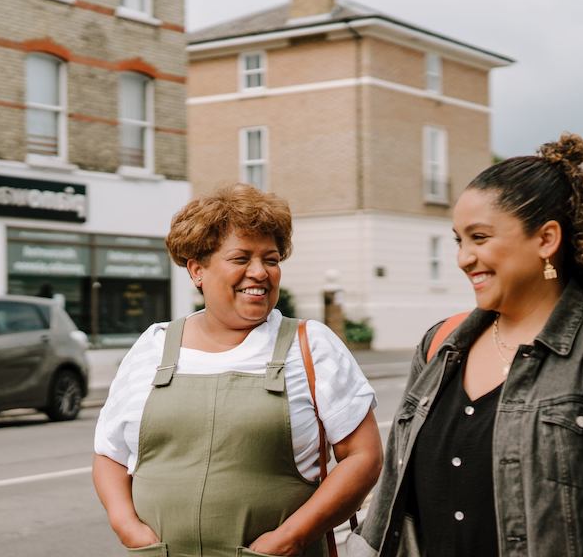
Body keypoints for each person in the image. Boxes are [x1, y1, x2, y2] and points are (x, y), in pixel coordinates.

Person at [348, 134, 583, 556]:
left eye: (479, 237)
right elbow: (390, 500)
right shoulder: (440, 345)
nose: (463, 258)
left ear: (546, 239)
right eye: (459, 240)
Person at [93, 183, 384, 556]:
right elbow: (109, 454)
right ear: (197, 270)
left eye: (271, 260)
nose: (260, 272)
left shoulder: (310, 345)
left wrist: (290, 538)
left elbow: (363, 457)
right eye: (241, 258)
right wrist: (127, 528)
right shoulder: (153, 347)